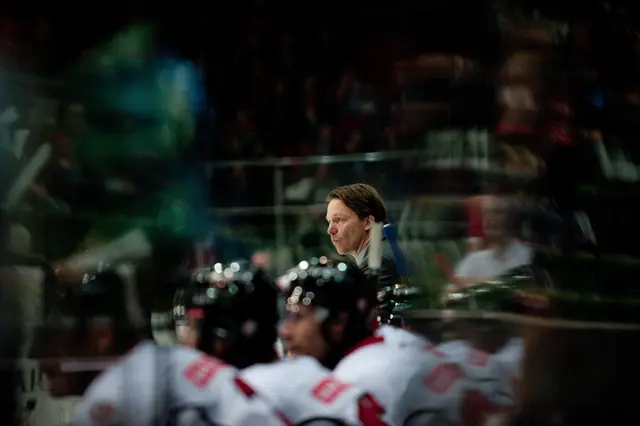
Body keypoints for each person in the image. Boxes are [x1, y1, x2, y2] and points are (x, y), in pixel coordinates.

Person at [28, 261, 287, 426]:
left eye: (55, 340)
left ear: (101, 336)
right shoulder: (173, 364)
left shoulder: (114, 398)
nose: (40, 355)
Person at [278, 257, 506, 426]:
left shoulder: (362, 378)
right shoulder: (388, 344)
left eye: (298, 317)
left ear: (338, 322)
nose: (286, 331)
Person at [452, 194, 532, 291]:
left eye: (497, 212)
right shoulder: (474, 260)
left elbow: (513, 286)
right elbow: (447, 294)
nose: (491, 218)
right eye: (486, 213)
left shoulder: (525, 254)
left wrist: (469, 283)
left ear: (511, 218)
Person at [325, 183, 400, 287]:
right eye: (329, 221)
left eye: (339, 219)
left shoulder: (378, 262)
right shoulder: (383, 250)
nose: (330, 230)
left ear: (368, 222)